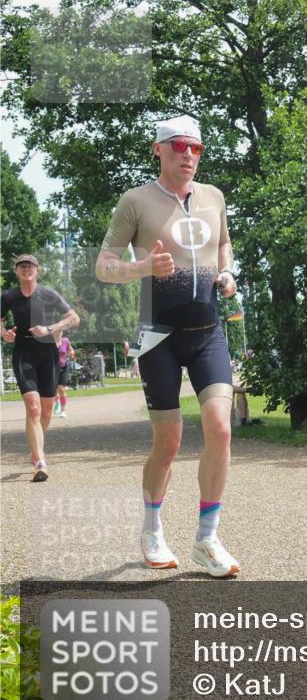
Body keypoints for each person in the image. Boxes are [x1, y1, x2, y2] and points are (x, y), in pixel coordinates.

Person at [95, 115, 240, 578]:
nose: (189, 155)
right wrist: (144, 270)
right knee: (169, 442)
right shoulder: (136, 201)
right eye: (179, 146)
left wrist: (228, 272)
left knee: (220, 428)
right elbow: (104, 266)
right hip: (158, 337)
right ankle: (152, 528)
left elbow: (224, 246)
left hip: (207, 334)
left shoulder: (214, 197)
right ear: (158, 149)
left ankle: (207, 539)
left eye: (196, 147)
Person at [1, 254, 80, 481]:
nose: (26, 269)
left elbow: (74, 318)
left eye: (30, 266)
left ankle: (35, 448)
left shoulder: (49, 294)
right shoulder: (8, 296)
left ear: (38, 270)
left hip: (48, 354)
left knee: (46, 411)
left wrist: (50, 328)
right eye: (22, 266)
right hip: (23, 352)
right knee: (33, 408)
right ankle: (40, 461)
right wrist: (3, 334)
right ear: (16, 271)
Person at [53, 330, 76, 417]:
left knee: (61, 389)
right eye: (56, 332)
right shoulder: (49, 343)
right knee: (54, 390)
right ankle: (57, 402)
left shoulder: (65, 341)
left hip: (64, 367)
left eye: (60, 331)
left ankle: (63, 411)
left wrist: (71, 353)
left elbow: (70, 350)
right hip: (53, 369)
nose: (58, 333)